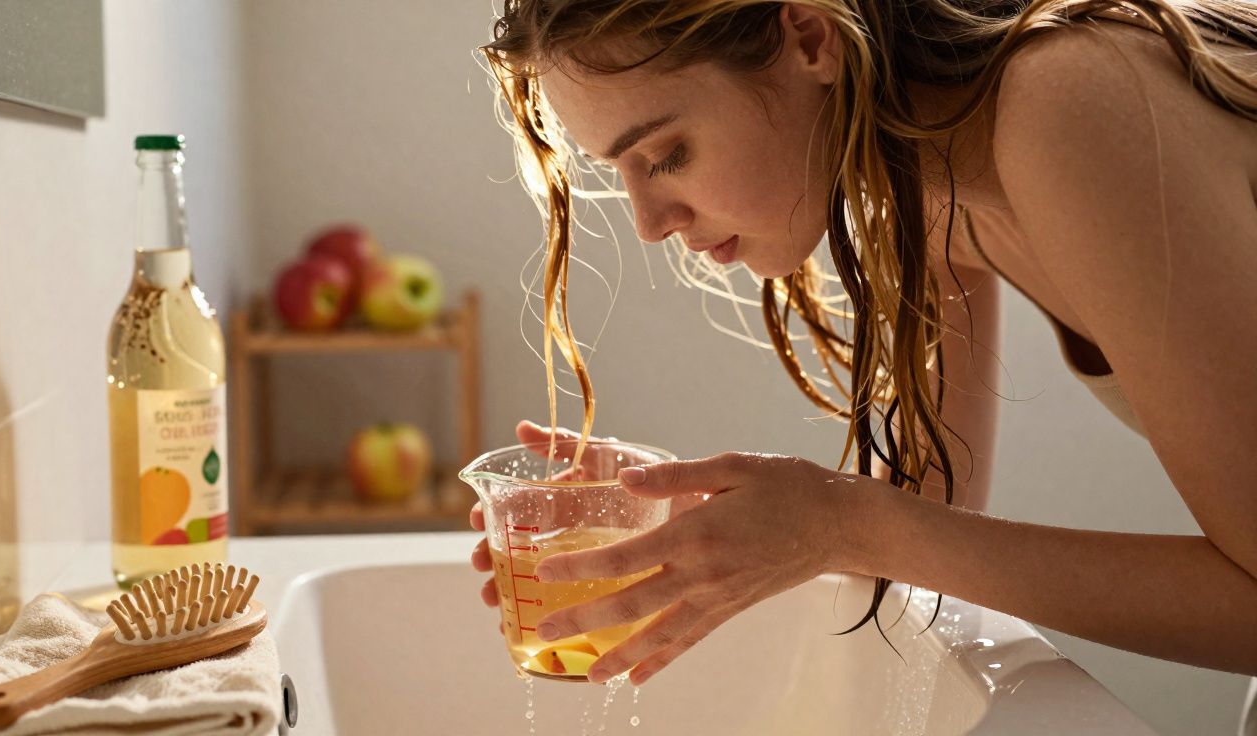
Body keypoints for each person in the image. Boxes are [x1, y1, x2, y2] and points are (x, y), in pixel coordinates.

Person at [467, 0, 1257, 729]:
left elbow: (892, 531)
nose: (648, 222)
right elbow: (931, 517)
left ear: (809, 38)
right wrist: (693, 519)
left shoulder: (1066, 95)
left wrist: (841, 521)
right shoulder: (934, 181)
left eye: (668, 153)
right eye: (622, 172)